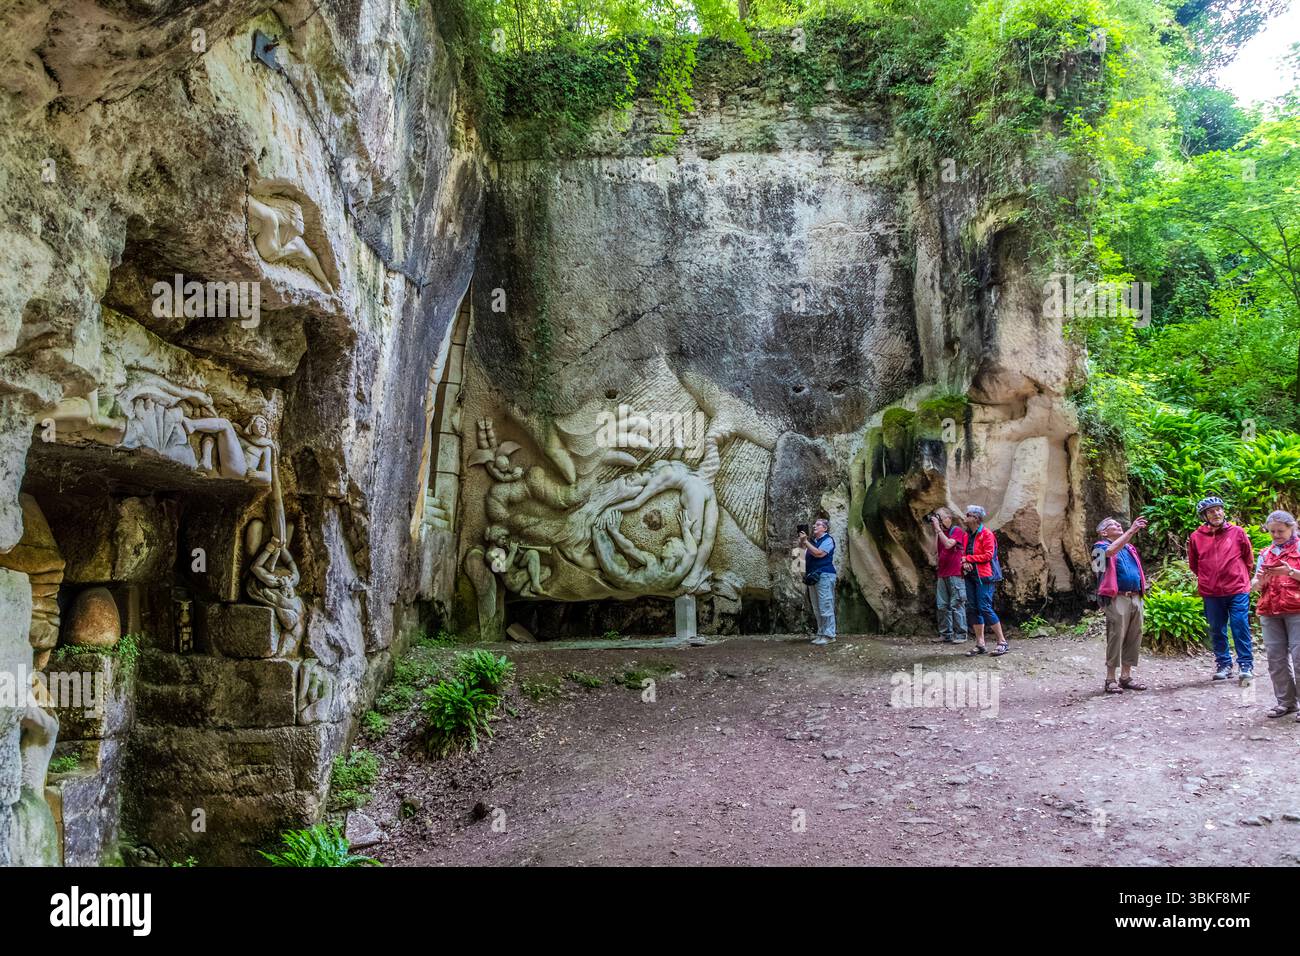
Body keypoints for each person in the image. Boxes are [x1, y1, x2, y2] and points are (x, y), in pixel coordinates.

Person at [1188, 496, 1255, 683]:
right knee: (1216, 628)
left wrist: (1239, 575)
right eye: (1211, 511)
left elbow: (1248, 558)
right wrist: (1208, 578)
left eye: (1218, 509)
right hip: (1211, 591)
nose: (1216, 513)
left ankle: (1245, 664)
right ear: (1204, 516)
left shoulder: (1237, 532)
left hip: (1237, 588)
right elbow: (1194, 564)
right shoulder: (1196, 537)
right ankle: (1224, 663)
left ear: (1223, 511)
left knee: (1239, 625)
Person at [1249, 510, 1300, 718]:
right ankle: (1286, 702)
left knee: (1299, 658)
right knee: (1275, 658)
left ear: (1292, 528)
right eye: (1272, 532)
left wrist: (1290, 572)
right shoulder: (1265, 553)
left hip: (1297, 610)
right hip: (1270, 610)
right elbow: (1253, 585)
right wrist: (1260, 582)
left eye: (1281, 531)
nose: (1276, 535)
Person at [1092, 516, 1149, 693]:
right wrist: (1132, 530)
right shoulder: (1098, 547)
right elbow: (1107, 555)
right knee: (1116, 636)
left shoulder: (1129, 547)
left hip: (1135, 597)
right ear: (1103, 532)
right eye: (1113, 525)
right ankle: (1110, 679)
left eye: (1119, 524)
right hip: (1117, 598)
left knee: (1134, 636)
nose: (1119, 526)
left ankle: (1126, 676)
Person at [961, 505, 1008, 656]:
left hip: (985, 576)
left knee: (984, 606)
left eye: (967, 514)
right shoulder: (967, 535)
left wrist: (969, 559)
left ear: (975, 518)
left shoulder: (986, 534)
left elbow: (988, 555)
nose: (965, 517)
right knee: (973, 608)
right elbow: (963, 553)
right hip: (970, 576)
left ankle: (1002, 642)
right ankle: (980, 644)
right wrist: (965, 562)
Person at [929, 508, 968, 643]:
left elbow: (948, 545)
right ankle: (945, 634)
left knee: (957, 604)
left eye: (939, 517)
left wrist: (939, 530)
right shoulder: (941, 533)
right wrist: (937, 532)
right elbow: (934, 551)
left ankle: (961, 635)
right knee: (942, 605)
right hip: (942, 573)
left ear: (948, 518)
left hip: (955, 573)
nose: (937, 520)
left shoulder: (956, 531)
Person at [798, 517, 837, 645]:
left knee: (826, 604)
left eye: (818, 524)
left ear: (824, 528)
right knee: (816, 607)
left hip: (825, 575)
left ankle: (829, 635)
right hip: (812, 577)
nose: (814, 526)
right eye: (814, 524)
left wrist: (806, 542)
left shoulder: (828, 540)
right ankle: (821, 633)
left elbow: (819, 554)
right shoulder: (812, 542)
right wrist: (801, 543)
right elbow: (798, 560)